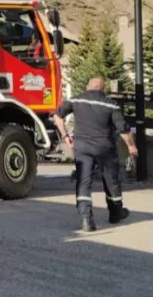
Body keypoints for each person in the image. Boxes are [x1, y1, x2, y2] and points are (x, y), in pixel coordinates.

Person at [51, 78, 138, 232]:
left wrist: (65, 136)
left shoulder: (76, 99)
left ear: (87, 87)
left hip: (82, 146)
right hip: (105, 148)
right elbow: (123, 129)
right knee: (111, 180)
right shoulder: (110, 103)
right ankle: (115, 213)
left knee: (84, 181)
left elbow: (57, 117)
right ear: (103, 89)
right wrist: (131, 146)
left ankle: (86, 219)